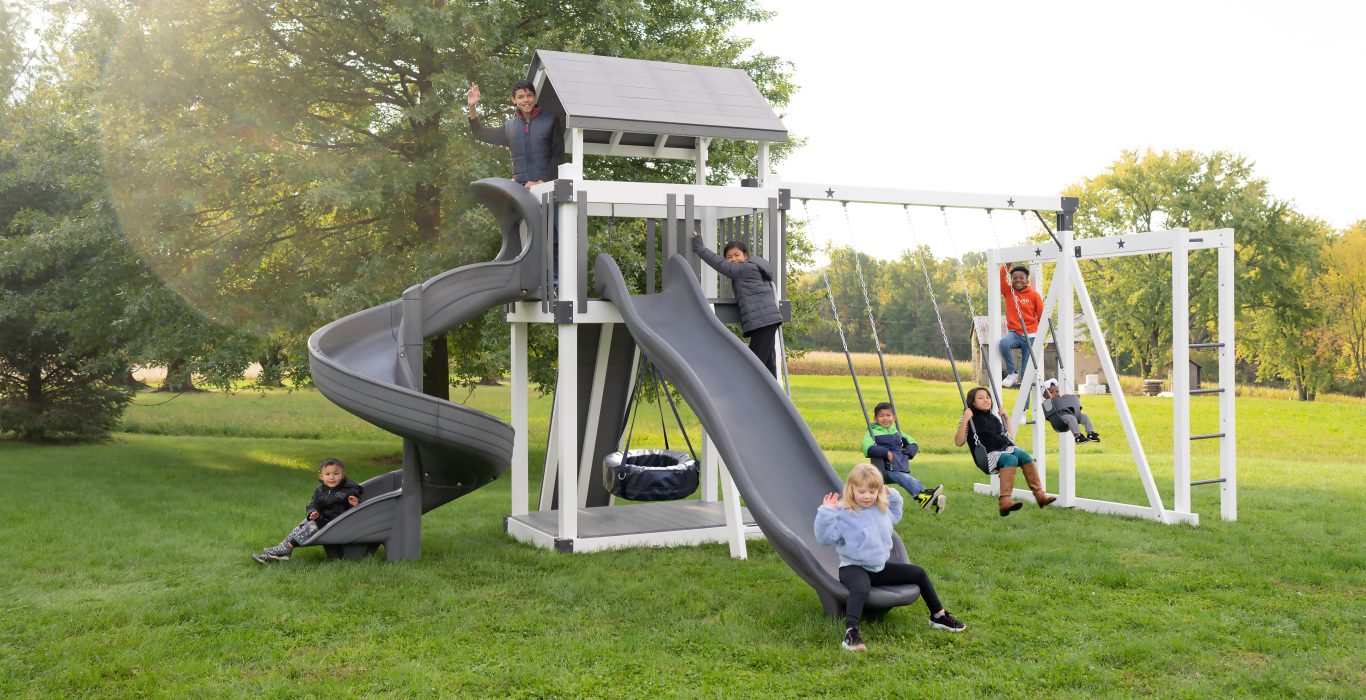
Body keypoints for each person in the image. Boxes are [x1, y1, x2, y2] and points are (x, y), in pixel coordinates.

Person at [814, 464, 966, 652]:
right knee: (860, 587)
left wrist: (893, 496)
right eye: (861, 491)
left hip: (878, 568)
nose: (867, 496)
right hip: (853, 567)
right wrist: (827, 512)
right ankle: (851, 632)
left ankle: (938, 615)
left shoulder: (880, 509)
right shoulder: (842, 513)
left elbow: (895, 515)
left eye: (872, 491)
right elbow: (824, 538)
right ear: (851, 489)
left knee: (918, 573)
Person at [690, 233, 782, 377]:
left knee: (753, 366)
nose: (733, 259)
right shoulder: (754, 268)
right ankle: (772, 391)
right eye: (729, 257)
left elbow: (720, 264)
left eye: (737, 255)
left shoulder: (746, 268)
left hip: (763, 322)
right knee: (767, 365)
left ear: (745, 256)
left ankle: (749, 389)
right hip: (766, 321)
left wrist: (699, 248)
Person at [953, 387, 1056, 515]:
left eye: (988, 397)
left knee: (1024, 456)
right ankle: (1005, 501)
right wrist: (965, 419)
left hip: (1004, 448)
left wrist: (1007, 419)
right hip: (988, 455)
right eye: (980, 398)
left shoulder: (994, 418)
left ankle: (1040, 495)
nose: (986, 400)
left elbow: (1009, 438)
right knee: (1010, 459)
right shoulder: (969, 419)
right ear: (972, 403)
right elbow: (958, 442)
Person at [253, 458, 363, 563]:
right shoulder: (320, 490)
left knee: (311, 526)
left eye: (336, 474)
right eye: (328, 474)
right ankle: (282, 549)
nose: (332, 477)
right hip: (323, 521)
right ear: (321, 476)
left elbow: (361, 509)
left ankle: (288, 547)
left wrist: (355, 503)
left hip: (338, 523)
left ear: (342, 475)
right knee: (302, 526)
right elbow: (313, 505)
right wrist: (312, 513)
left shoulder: (348, 491)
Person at [467, 80, 565, 187]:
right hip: (521, 191)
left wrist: (540, 183)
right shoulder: (509, 127)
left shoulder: (551, 121)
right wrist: (472, 106)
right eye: (520, 97)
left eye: (529, 95)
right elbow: (480, 133)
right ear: (514, 100)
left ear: (535, 97)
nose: (526, 100)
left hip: (547, 189)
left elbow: (558, 157)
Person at [860, 402, 944, 513]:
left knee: (908, 479)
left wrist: (908, 453)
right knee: (906, 478)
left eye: (888, 415)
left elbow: (912, 442)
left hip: (898, 466)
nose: (885, 418)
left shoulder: (896, 432)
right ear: (875, 418)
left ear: (894, 417)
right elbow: (867, 448)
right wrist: (885, 452)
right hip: (883, 469)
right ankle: (923, 495)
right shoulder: (872, 432)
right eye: (881, 416)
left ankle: (934, 503)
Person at [998, 264, 1043, 388]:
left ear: (1026, 280)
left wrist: (1038, 333)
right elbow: (999, 277)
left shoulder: (1034, 295)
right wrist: (1007, 264)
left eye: (1021, 278)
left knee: (1026, 371)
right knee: (1004, 343)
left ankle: (1025, 400)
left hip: (1031, 335)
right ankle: (1012, 373)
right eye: (1015, 278)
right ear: (1011, 280)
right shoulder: (1008, 292)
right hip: (1015, 333)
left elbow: (1042, 316)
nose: (1018, 280)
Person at [1042, 378, 1100, 444]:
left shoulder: (1060, 399)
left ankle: (1091, 433)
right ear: (1045, 396)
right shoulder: (1047, 403)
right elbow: (1049, 410)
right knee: (1071, 418)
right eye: (1051, 392)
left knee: (1084, 416)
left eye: (1057, 392)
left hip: (1070, 414)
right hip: (1059, 418)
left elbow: (1069, 404)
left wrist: (1069, 398)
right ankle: (1078, 436)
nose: (1055, 394)